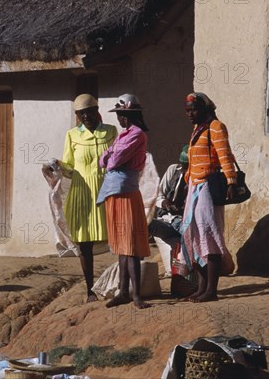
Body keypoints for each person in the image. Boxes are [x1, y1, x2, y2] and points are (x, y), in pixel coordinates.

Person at [56, 94, 118, 303]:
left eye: (89, 111)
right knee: (84, 242)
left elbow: (117, 159)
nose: (86, 116)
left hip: (106, 190)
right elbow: (69, 166)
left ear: (96, 110)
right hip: (82, 192)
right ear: (77, 116)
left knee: (118, 238)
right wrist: (57, 167)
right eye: (81, 114)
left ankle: (121, 285)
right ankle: (90, 290)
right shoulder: (72, 135)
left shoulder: (110, 132)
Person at [180, 92, 237, 303]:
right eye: (187, 111)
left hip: (208, 187)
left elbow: (225, 155)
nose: (190, 114)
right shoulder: (197, 129)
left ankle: (211, 290)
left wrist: (231, 181)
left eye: (193, 110)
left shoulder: (215, 127)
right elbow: (193, 160)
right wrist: (187, 181)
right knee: (196, 235)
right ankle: (202, 287)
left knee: (209, 236)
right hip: (195, 186)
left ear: (204, 109)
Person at [97, 93, 151, 309]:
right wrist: (110, 156)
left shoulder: (137, 135)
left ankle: (136, 294)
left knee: (130, 245)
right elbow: (104, 159)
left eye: (121, 114)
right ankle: (123, 291)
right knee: (121, 244)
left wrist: (110, 156)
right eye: (118, 114)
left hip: (126, 192)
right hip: (116, 192)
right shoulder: (124, 135)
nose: (119, 119)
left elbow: (113, 159)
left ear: (129, 115)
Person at [148, 145, 189, 276]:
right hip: (166, 221)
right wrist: (165, 203)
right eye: (182, 165)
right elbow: (159, 193)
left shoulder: (197, 179)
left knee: (188, 238)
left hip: (183, 223)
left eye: (186, 166)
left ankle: (183, 269)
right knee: (144, 225)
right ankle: (137, 267)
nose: (183, 168)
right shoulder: (173, 170)